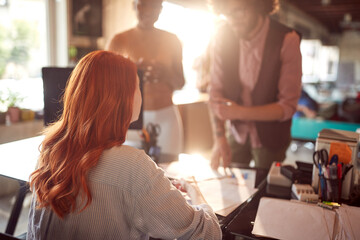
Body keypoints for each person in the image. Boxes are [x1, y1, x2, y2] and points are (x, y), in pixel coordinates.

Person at [27, 51, 221, 240]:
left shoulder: (49, 151)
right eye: (138, 86)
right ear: (123, 98)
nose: (141, 94)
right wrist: (196, 194)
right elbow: (207, 233)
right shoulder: (133, 165)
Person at [208, 0, 302, 170]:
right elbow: (215, 94)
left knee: (264, 190)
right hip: (236, 134)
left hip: (272, 138)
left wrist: (239, 112)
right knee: (227, 185)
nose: (233, 19)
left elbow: (287, 106)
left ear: (258, 4)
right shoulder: (221, 37)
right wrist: (219, 138)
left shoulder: (288, 39)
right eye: (227, 13)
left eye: (240, 11)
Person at [106, 0, 185, 156]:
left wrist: (165, 74)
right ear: (134, 6)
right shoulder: (118, 40)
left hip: (166, 115)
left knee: (170, 169)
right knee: (130, 172)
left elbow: (180, 82)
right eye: (142, 4)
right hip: (131, 118)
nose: (148, 10)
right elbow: (108, 86)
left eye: (154, 5)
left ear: (161, 9)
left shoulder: (172, 40)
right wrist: (132, 73)